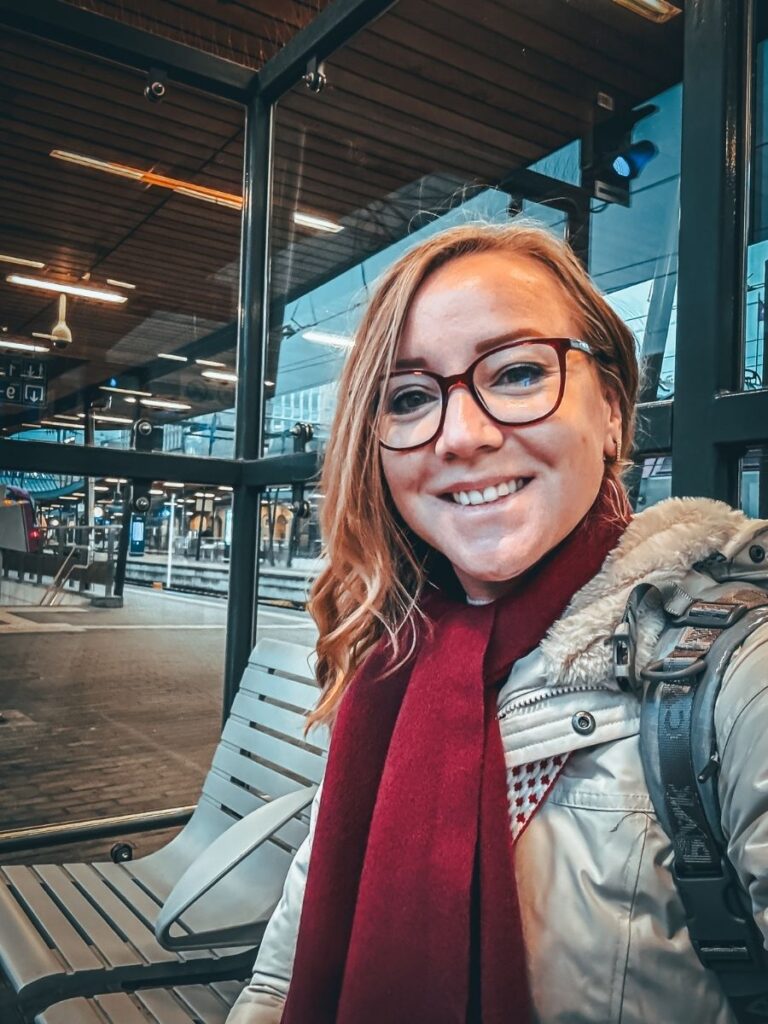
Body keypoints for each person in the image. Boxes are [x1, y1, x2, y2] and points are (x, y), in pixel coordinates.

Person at [227, 222, 768, 1023]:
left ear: (613, 412)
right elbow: (282, 975)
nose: (462, 435)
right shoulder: (393, 660)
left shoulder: (735, 669)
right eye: (409, 397)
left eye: (516, 374)